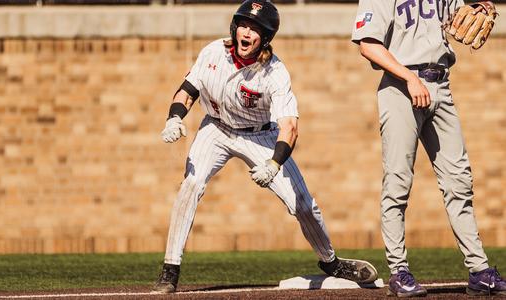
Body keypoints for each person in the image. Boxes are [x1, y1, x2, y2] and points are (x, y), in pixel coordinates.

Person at [152, 0, 378, 293]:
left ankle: (331, 262)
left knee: (302, 203)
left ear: (266, 38)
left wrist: (274, 163)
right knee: (190, 186)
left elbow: (290, 126)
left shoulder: (274, 72)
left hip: (261, 136)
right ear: (235, 28)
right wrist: (173, 118)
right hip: (216, 128)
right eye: (244, 25)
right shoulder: (213, 52)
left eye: (256, 29)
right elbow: (188, 90)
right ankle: (170, 269)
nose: (247, 33)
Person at [351, 0, 506, 297]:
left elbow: (457, 18)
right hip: (400, 86)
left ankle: (479, 271)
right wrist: (409, 78)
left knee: (459, 181)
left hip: (441, 86)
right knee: (398, 182)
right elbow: (368, 45)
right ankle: (399, 271)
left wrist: (479, 8)